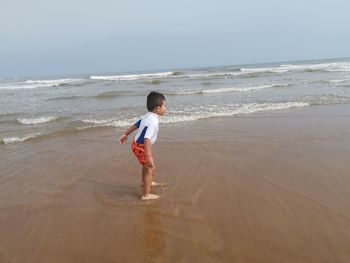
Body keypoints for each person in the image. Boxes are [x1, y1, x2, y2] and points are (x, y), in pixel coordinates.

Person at [119, 91, 166, 200]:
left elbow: (136, 124)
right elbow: (147, 138)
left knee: (146, 167)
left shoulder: (147, 116)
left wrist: (125, 134)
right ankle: (146, 195)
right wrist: (148, 156)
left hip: (136, 145)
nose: (165, 108)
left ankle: (145, 181)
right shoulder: (153, 121)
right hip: (142, 147)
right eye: (164, 105)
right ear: (158, 108)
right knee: (150, 168)